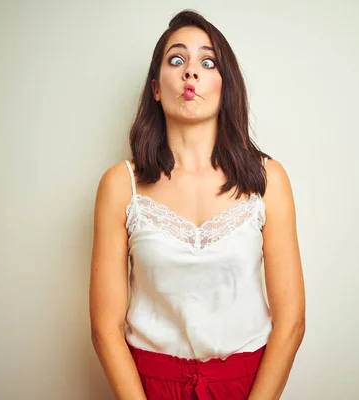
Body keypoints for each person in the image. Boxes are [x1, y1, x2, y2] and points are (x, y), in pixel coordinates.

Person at [90, 9, 305, 400]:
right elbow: (105, 329)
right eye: (177, 60)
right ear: (156, 87)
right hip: (148, 387)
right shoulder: (121, 186)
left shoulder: (268, 180)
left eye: (207, 62)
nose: (191, 73)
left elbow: (291, 323)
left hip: (246, 386)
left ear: (226, 86)